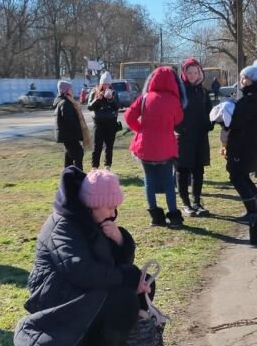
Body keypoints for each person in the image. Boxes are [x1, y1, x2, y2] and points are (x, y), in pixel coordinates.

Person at [14, 167, 148, 346]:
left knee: (140, 287)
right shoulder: (64, 226)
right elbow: (81, 271)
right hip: (53, 294)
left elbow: (111, 264)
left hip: (77, 287)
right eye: (109, 207)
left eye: (116, 207)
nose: (114, 213)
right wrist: (127, 276)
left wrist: (120, 241)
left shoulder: (92, 219)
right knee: (122, 297)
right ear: (91, 204)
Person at [125, 66, 185, 227]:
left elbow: (128, 116)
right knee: (168, 183)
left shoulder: (144, 98)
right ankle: (174, 216)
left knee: (149, 181)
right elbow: (178, 120)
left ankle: (155, 217)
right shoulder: (173, 100)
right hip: (165, 147)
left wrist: (140, 129)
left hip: (145, 147)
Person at [224, 62, 257, 224]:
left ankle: (253, 211)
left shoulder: (251, 99)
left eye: (243, 78)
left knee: (237, 176)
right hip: (252, 143)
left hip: (243, 144)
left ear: (252, 79)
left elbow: (237, 123)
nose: (241, 81)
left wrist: (224, 118)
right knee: (243, 176)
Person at [176, 58, 213, 216]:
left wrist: (210, 123)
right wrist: (178, 128)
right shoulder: (179, 90)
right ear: (184, 73)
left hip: (200, 136)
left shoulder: (203, 91)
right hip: (183, 137)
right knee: (182, 170)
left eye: (195, 72)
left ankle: (197, 201)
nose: (192, 75)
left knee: (199, 170)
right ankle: (186, 204)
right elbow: (172, 112)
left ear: (200, 73)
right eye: (189, 72)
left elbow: (208, 111)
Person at [87, 71, 119, 169]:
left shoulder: (113, 93)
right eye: (104, 84)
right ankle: (94, 166)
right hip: (98, 123)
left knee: (109, 146)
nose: (106, 86)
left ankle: (107, 166)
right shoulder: (94, 92)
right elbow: (89, 107)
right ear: (101, 83)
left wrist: (111, 99)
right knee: (97, 146)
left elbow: (117, 106)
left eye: (108, 84)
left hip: (111, 123)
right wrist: (98, 99)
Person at [54, 80, 89, 170]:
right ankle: (79, 176)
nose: (72, 90)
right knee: (78, 153)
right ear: (65, 90)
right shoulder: (65, 103)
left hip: (69, 136)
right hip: (69, 136)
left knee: (69, 156)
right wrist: (79, 132)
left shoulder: (67, 101)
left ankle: (67, 176)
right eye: (70, 89)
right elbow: (70, 122)